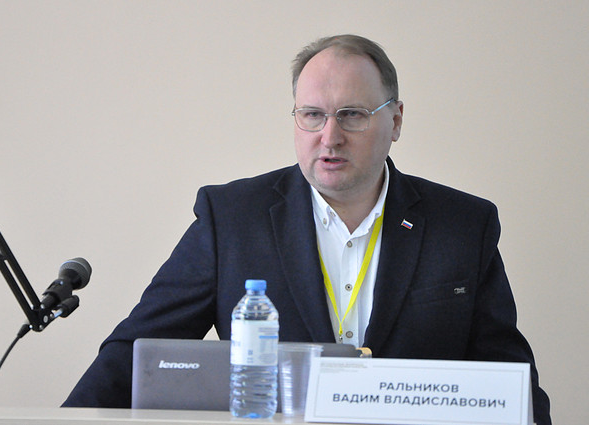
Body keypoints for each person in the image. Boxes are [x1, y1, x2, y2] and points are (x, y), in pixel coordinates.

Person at [63, 34, 551, 424]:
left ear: (396, 120)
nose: (329, 137)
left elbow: (511, 380)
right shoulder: (232, 218)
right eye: (312, 115)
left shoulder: (462, 225)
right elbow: (134, 356)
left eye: (352, 115)